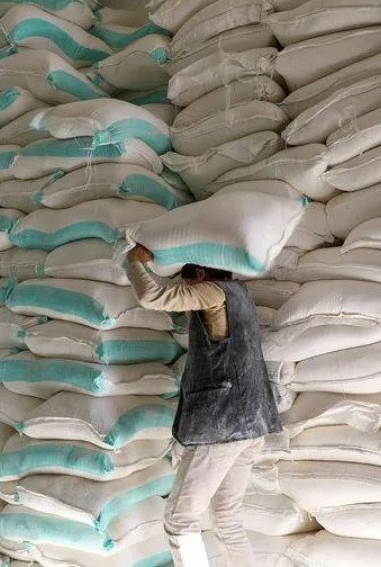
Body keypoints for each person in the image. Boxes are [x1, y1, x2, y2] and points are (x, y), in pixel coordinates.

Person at [125, 243, 282, 567]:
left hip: (221, 427)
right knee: (227, 518)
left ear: (198, 273)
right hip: (253, 424)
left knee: (179, 520)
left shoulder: (211, 292)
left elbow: (151, 297)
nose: (186, 293)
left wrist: (134, 262)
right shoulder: (239, 294)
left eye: (187, 284)